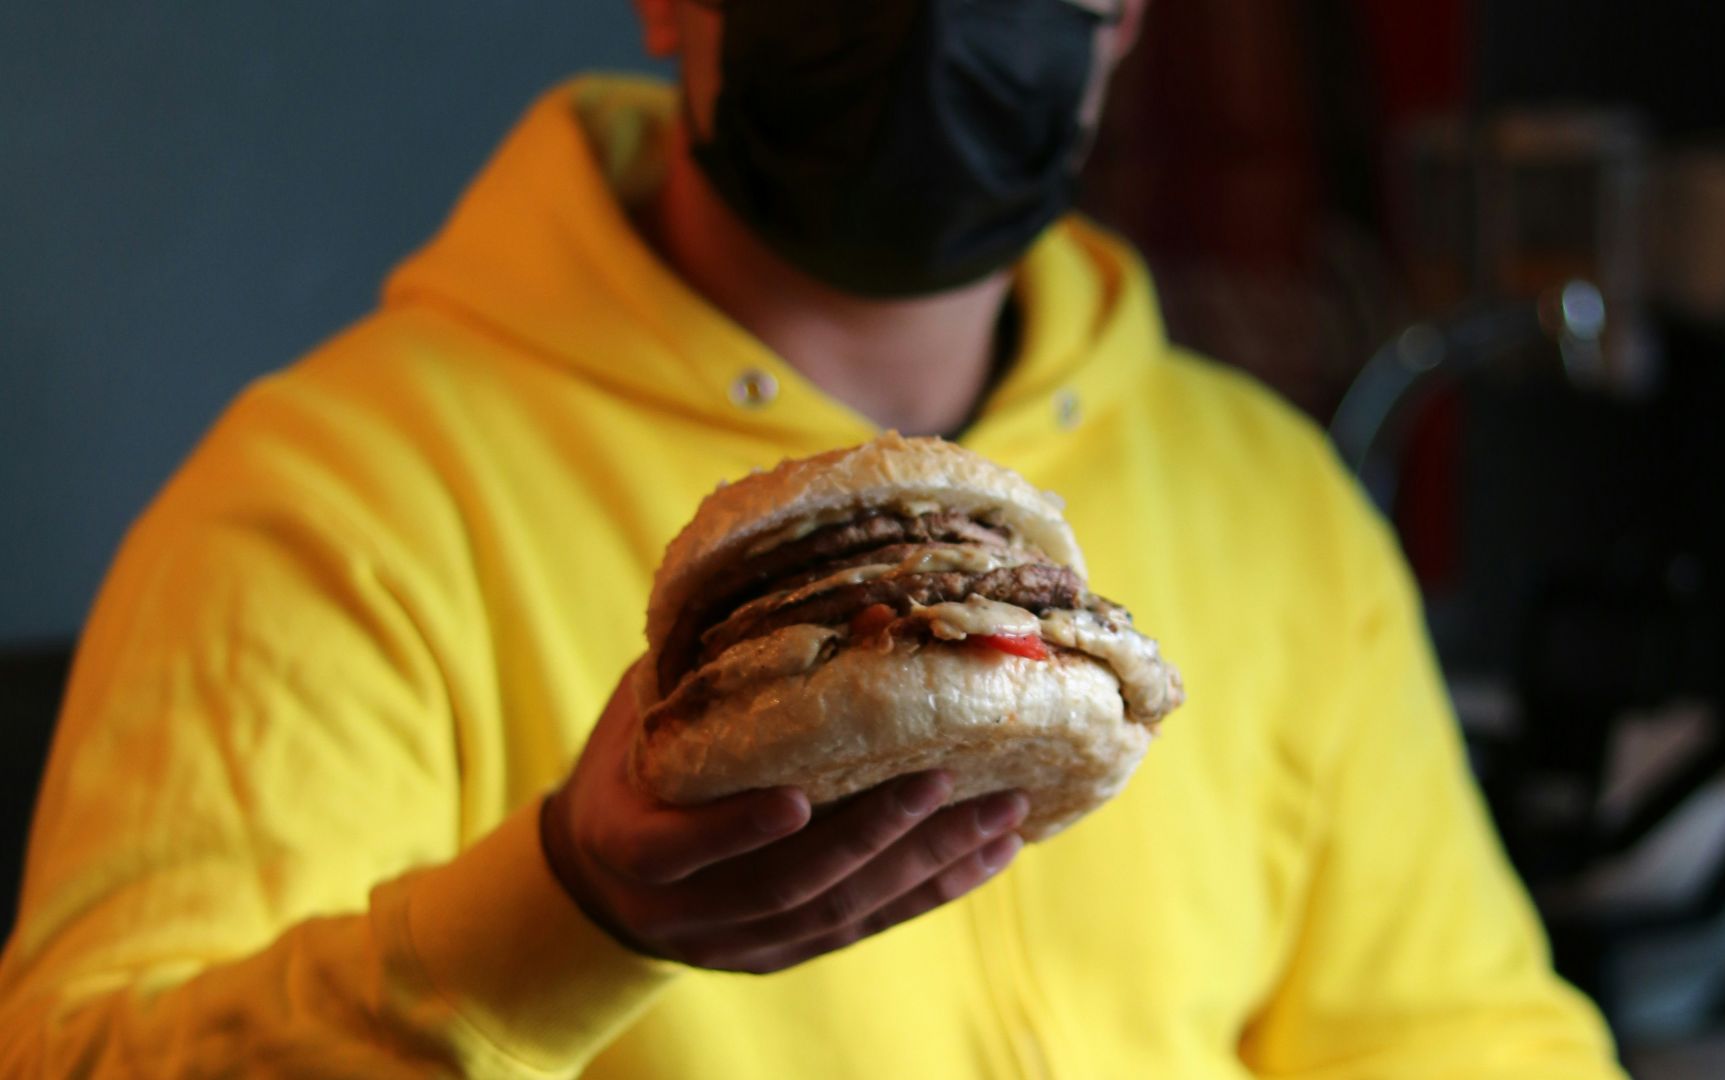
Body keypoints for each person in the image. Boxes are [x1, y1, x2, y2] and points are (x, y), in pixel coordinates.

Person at [0, 1, 1626, 1075]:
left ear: (1125, 17)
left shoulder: (1272, 497)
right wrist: (563, 918)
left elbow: (1457, 1039)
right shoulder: (332, 496)